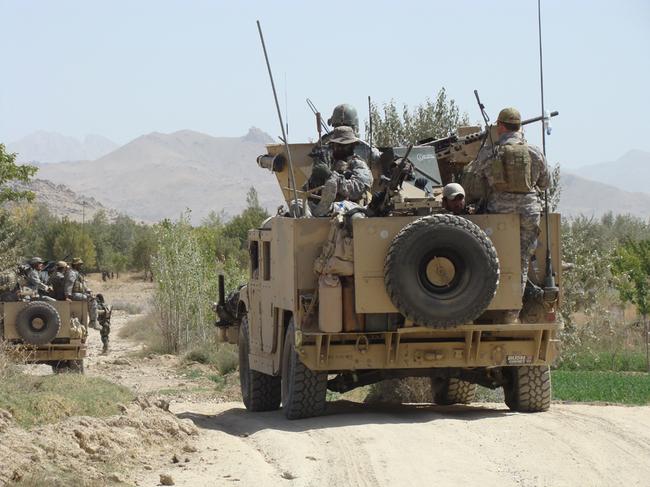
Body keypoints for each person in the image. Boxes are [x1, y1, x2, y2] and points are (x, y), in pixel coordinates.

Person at [469, 107, 549, 303]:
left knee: (492, 260)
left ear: (501, 127)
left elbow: (474, 180)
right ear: (519, 127)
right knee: (521, 262)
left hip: (499, 212)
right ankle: (513, 308)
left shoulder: (490, 152)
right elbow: (545, 183)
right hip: (528, 212)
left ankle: (491, 303)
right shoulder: (534, 151)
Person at [310, 126, 374, 217]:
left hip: (351, 211)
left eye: (343, 145)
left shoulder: (359, 165)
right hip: (325, 211)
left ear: (352, 146)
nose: (338, 148)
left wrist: (330, 176)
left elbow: (356, 190)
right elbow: (308, 192)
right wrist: (315, 180)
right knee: (297, 205)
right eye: (336, 145)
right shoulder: (330, 164)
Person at [64, 257, 100, 330]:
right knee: (92, 300)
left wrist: (89, 291)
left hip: (79, 293)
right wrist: (67, 296)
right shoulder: (72, 273)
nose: (80, 266)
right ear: (75, 265)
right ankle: (93, 321)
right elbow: (69, 284)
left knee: (93, 297)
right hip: (74, 294)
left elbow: (83, 286)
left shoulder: (77, 273)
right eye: (79, 264)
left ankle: (94, 319)